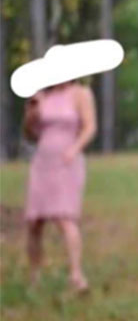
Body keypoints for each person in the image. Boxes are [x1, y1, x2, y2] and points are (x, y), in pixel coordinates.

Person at [22, 79, 97, 294]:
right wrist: (31, 112)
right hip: (42, 162)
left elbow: (90, 126)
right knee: (35, 222)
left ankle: (76, 275)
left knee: (65, 218)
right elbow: (31, 134)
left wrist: (75, 149)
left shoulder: (80, 94)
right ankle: (34, 277)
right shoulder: (43, 96)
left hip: (67, 161)